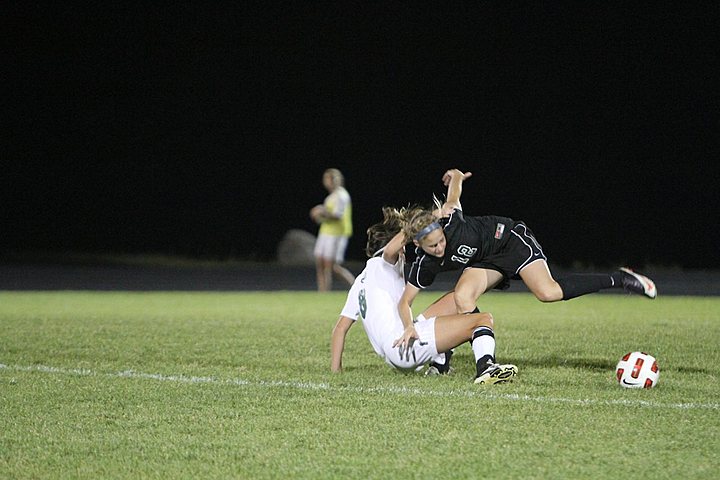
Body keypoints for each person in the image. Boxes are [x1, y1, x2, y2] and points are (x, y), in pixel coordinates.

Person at [394, 168, 657, 353]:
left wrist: (457, 175)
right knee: (462, 298)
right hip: (486, 260)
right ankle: (482, 361)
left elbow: (453, 196)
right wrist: (408, 328)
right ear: (418, 245)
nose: (441, 247)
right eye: (433, 246)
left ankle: (621, 278)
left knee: (548, 292)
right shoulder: (424, 263)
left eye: (441, 241)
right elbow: (405, 301)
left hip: (509, 240)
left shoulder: (450, 220)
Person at [331, 207, 517, 385]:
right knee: (482, 319)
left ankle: (439, 365)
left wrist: (336, 371)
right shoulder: (384, 262)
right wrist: (429, 218)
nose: (404, 252)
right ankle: (486, 368)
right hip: (403, 345)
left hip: (396, 348)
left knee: (457, 298)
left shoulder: (360, 282)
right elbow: (391, 250)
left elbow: (340, 329)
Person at [310, 168, 355, 292]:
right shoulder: (331, 196)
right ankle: (322, 291)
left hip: (337, 233)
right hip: (325, 231)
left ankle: (355, 286)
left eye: (329, 179)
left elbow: (337, 215)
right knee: (320, 262)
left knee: (331, 266)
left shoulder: (341, 195)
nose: (327, 182)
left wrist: (321, 211)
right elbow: (327, 215)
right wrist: (319, 215)